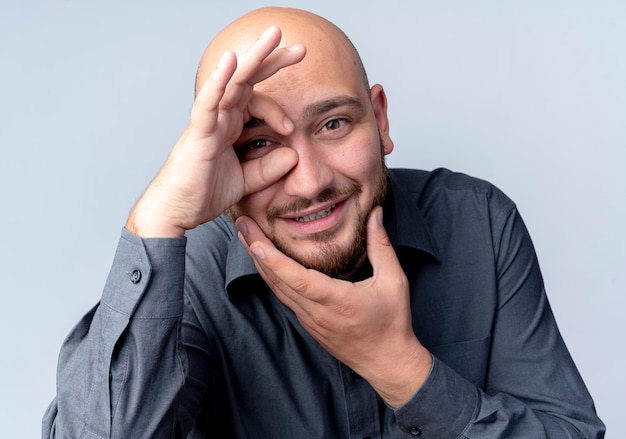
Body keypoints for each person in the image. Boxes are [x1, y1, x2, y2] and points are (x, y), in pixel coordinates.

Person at [43, 6, 604, 438]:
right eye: (259, 144)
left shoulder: (478, 223)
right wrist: (159, 216)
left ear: (379, 119)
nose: (308, 181)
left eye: (333, 124)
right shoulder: (191, 273)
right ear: (218, 158)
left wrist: (403, 370)